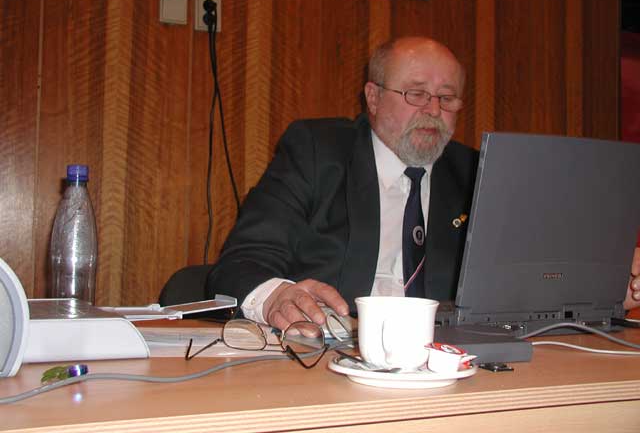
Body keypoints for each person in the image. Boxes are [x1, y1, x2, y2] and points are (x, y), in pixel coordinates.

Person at [205, 36, 640, 330]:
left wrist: (604, 289)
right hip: (326, 356)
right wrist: (277, 296)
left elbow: (521, 282)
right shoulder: (318, 151)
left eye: (447, 98)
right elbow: (241, 262)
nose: (433, 110)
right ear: (373, 97)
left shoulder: (475, 172)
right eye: (416, 94)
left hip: (448, 366)